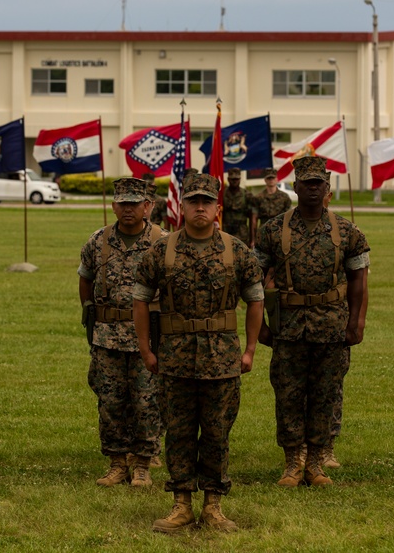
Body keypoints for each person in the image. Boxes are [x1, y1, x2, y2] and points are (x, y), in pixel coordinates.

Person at [133, 173, 263, 534]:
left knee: (218, 432)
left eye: (207, 201)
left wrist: (250, 350)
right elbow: (140, 302)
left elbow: (256, 301)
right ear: (182, 206)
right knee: (178, 432)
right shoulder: (161, 250)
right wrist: (146, 349)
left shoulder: (237, 250)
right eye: (193, 201)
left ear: (218, 207)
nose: (200, 207)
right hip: (174, 359)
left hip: (222, 360)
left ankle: (213, 505)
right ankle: (181, 504)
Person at [254, 156, 369, 487]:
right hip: (288, 327)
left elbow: (359, 279)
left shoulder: (347, 231)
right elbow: (255, 280)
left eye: (319, 183)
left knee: (325, 393)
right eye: (307, 183)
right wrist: (261, 324)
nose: (314, 188)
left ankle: (316, 462)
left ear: (328, 188)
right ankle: (292, 462)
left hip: (332, 325)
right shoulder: (274, 230)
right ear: (295, 187)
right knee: (288, 394)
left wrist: (356, 323)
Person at [79, 177, 164, 488]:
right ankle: (117, 463)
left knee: (147, 401)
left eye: (134, 203)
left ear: (147, 206)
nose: (128, 208)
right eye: (122, 203)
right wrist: (92, 312)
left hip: (150, 338)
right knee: (110, 402)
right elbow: (85, 280)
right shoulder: (97, 242)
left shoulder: (162, 242)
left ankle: (143, 464)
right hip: (107, 337)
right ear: (114, 206)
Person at [250, 167, 291, 248]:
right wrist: (253, 239)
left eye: (273, 178)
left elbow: (289, 218)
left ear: (276, 179)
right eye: (269, 178)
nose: (271, 180)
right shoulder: (258, 198)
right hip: (263, 232)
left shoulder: (284, 197)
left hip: (280, 232)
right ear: (265, 180)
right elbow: (254, 220)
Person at [221, 168, 251, 244]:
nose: (234, 181)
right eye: (232, 179)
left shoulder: (246, 194)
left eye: (236, 179)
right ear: (228, 179)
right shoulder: (222, 195)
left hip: (242, 232)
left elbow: (252, 217)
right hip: (226, 231)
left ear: (240, 179)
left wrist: (252, 238)